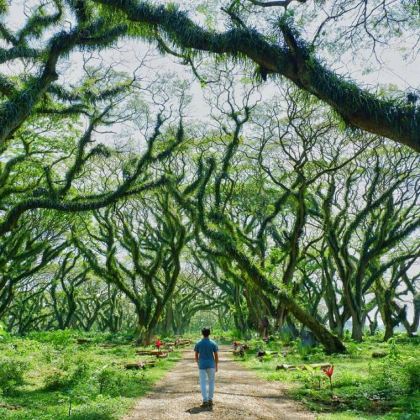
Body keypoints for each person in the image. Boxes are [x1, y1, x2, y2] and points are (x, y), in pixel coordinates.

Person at [194, 327, 219, 408]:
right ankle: (210, 400)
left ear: (202, 333)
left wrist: (198, 363)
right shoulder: (213, 343)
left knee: (203, 383)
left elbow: (196, 355)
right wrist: (216, 365)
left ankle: (205, 400)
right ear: (209, 333)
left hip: (202, 365)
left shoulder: (198, 343)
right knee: (211, 382)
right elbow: (216, 355)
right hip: (211, 365)